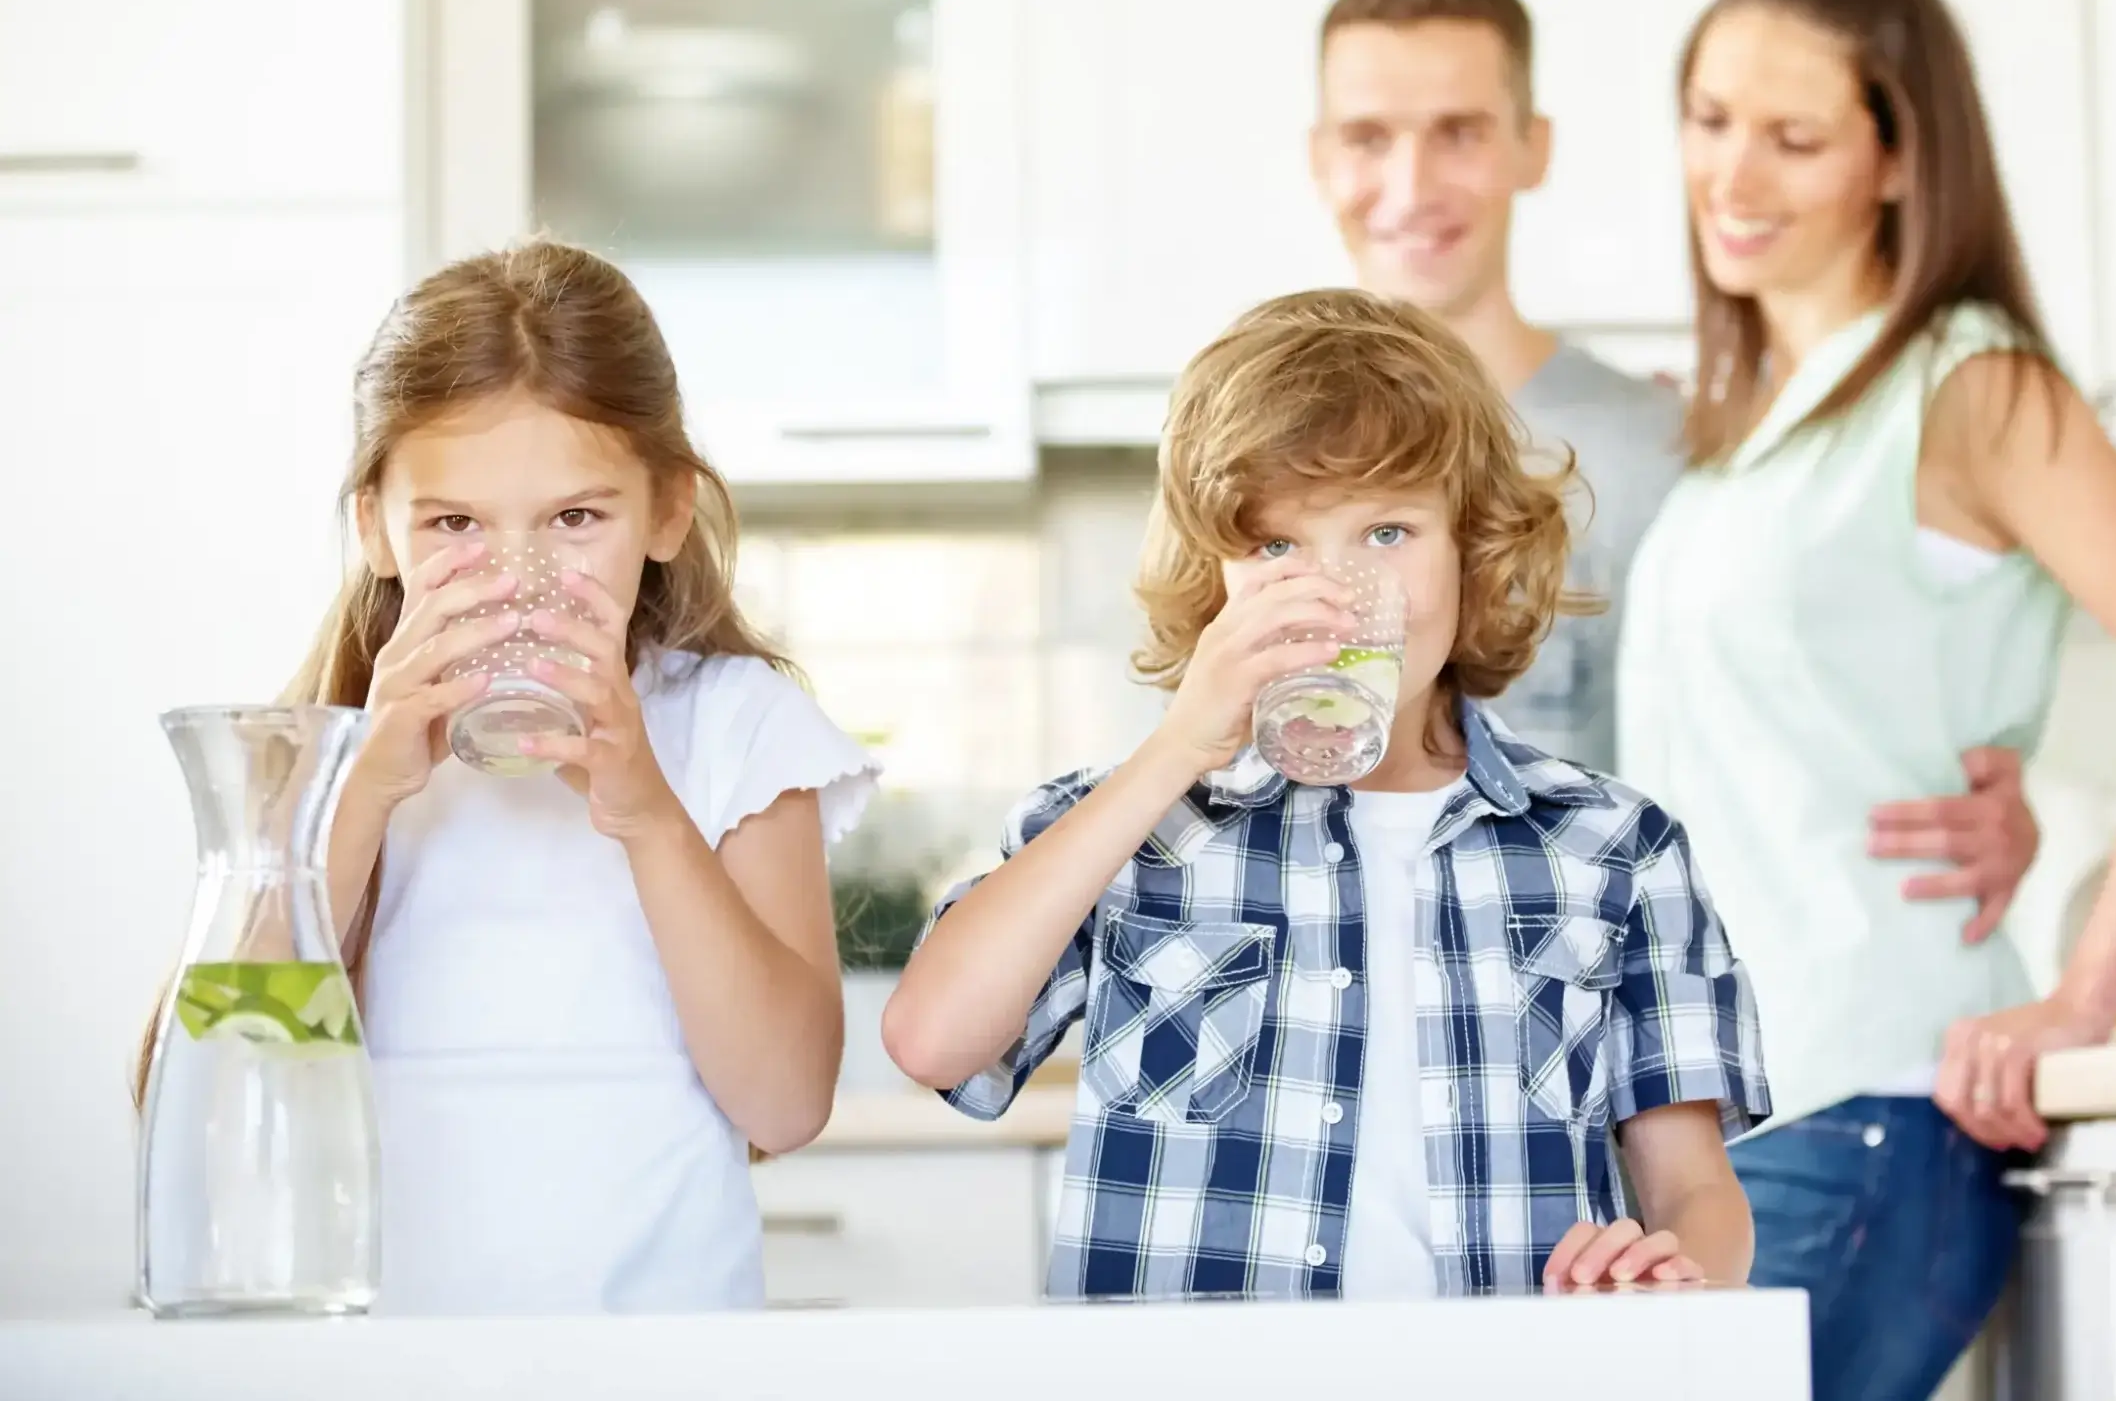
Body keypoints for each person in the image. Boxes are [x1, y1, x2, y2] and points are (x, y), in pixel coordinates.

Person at [1619, 0, 2116, 1401]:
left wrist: (2081, 995)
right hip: (1740, 1121)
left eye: (1793, 137)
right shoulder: (1758, 427)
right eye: (1710, 121)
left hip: (1865, 1108)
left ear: (1899, 159)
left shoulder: (1967, 381)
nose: (1732, 176)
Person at [883, 289, 1772, 1299]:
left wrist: (1672, 1271)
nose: (1337, 589)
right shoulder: (1127, 826)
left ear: (1473, 548)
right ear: (1215, 577)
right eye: (1275, 547)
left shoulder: (1614, 849)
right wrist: (1178, 748)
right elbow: (933, 1040)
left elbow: (1695, 1192)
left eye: (1387, 534)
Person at [1311, 0, 2042, 944]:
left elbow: (1815, 708)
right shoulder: (1256, 459)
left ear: (1534, 148)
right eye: (1367, 137)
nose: (1411, 183)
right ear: (1318, 157)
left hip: (1600, 1038)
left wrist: (1992, 801)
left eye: (1459, 133)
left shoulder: (1679, 450)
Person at [295, 241, 875, 1312]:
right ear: (376, 523)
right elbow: (207, 1078)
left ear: (665, 510)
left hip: (666, 1355)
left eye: (575, 519)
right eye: (455, 524)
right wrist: (365, 789)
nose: (518, 580)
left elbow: (786, 1105)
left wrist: (648, 810)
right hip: (385, 1360)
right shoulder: (323, 751)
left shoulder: (735, 728)